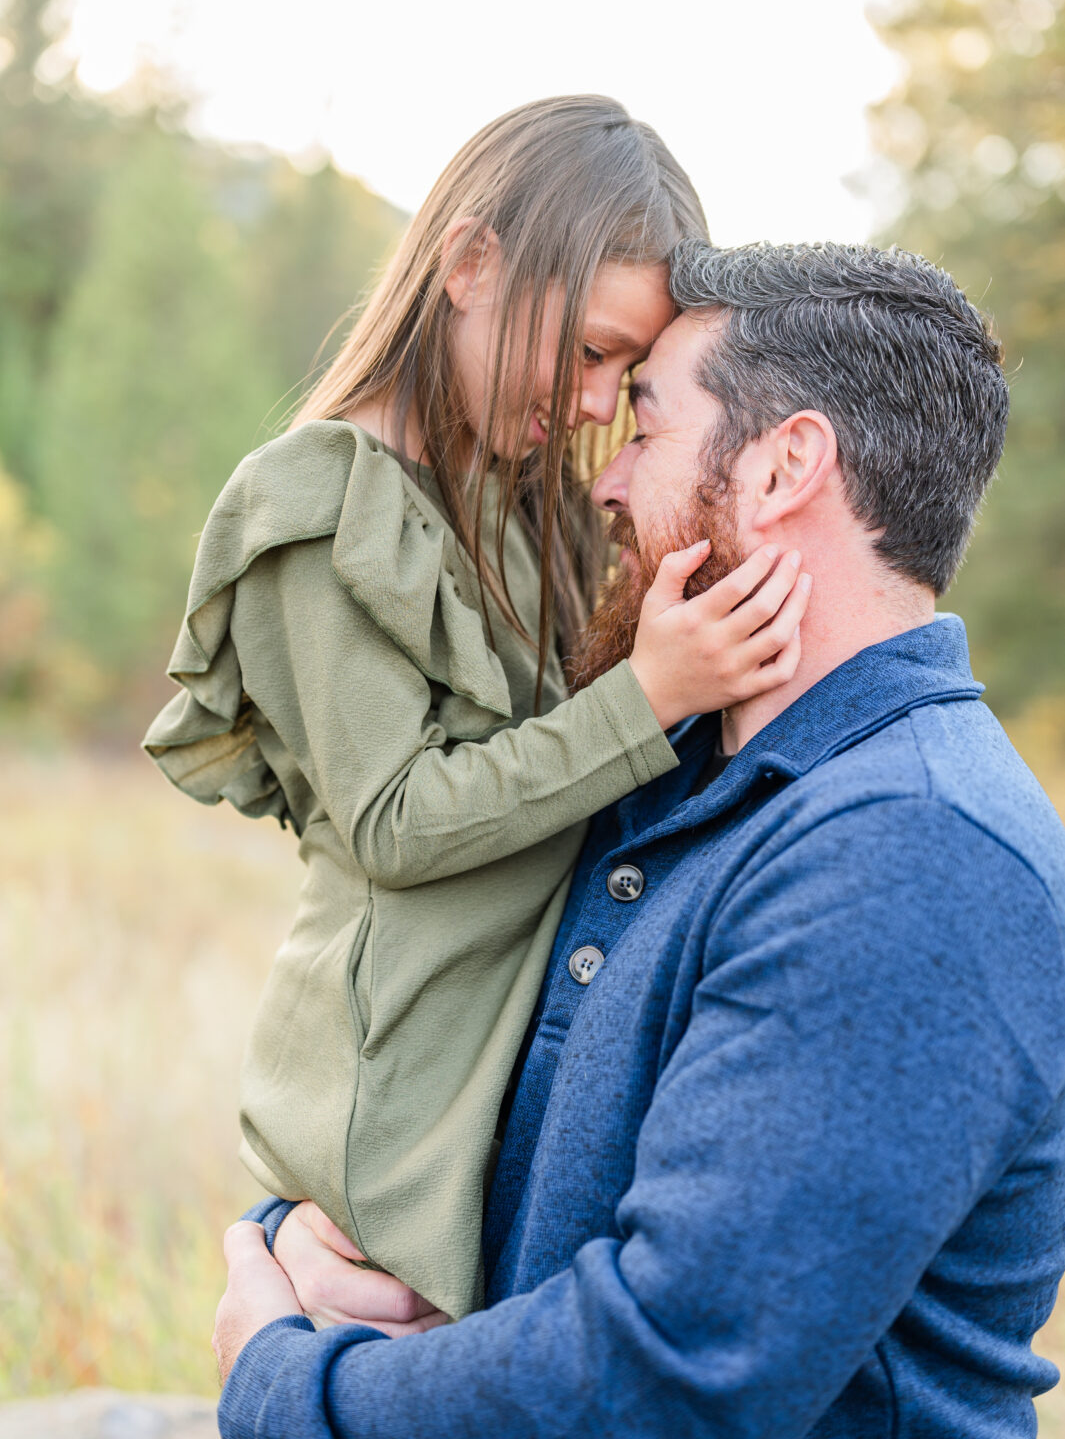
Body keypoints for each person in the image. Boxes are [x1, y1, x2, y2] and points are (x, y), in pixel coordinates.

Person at [213, 240, 1065, 1439]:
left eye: (649, 431)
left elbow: (676, 1372)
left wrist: (289, 1385)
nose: (602, 485)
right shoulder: (677, 790)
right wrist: (306, 1247)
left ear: (784, 467)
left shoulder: (914, 853)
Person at [142, 98, 809, 1324]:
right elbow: (394, 819)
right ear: (469, 264)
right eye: (592, 349)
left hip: (508, 1081)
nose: (601, 399)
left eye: (631, 369)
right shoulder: (318, 505)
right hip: (392, 1105)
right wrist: (653, 694)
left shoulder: (529, 499)